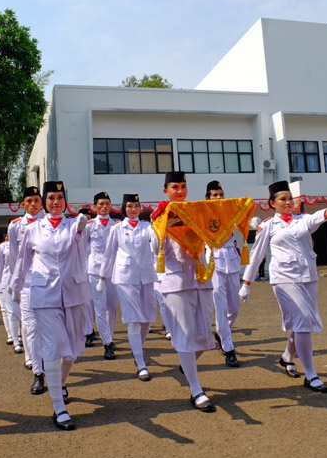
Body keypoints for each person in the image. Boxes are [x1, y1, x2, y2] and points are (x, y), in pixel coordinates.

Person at [239, 180, 327, 394]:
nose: (288, 203)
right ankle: (311, 375)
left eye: (290, 199)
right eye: (283, 199)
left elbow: (315, 218)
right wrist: (246, 283)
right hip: (284, 279)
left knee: (301, 321)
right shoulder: (268, 225)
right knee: (303, 321)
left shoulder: (301, 220)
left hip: (307, 276)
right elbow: (256, 254)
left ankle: (287, 356)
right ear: (272, 203)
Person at [10, 181, 91, 431]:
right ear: (44, 202)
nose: (56, 202)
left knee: (72, 351)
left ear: (65, 201)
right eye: (51, 198)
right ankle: (59, 407)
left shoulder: (73, 225)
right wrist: (15, 286)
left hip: (73, 294)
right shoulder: (33, 229)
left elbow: (83, 248)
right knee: (54, 347)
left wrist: (80, 230)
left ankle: (61, 382)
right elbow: (22, 261)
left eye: (60, 198)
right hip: (44, 295)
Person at [151, 171, 216, 412]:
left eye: (183, 187)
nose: (179, 191)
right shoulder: (160, 216)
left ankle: (185, 364)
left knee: (204, 338)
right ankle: (196, 390)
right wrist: (167, 224)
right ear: (165, 190)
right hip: (176, 282)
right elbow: (154, 248)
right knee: (186, 336)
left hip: (200, 279)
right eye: (174, 187)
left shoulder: (196, 211)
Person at [98, 194, 158, 380]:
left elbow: (156, 245)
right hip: (125, 277)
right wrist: (102, 277)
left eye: (136, 206)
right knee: (133, 320)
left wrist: (158, 228)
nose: (133, 209)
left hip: (146, 276)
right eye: (130, 206)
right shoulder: (117, 228)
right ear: (124, 208)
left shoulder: (147, 227)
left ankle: (136, 348)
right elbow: (109, 254)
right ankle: (140, 363)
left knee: (147, 319)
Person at [7, 186, 47, 395]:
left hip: (48, 283)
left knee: (49, 329)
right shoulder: (15, 226)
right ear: (23, 203)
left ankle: (55, 371)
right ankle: (38, 373)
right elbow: (15, 259)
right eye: (29, 200)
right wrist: (16, 284)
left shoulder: (49, 222)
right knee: (30, 327)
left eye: (36, 200)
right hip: (28, 284)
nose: (33, 204)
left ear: (41, 203)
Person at [204, 180, 241, 368]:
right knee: (220, 306)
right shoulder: (202, 214)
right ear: (208, 198)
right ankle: (228, 348)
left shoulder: (230, 212)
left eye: (221, 194)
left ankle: (221, 332)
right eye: (215, 195)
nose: (219, 197)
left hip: (231, 261)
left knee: (234, 308)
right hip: (214, 261)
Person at [85, 192, 120, 360]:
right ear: (95, 207)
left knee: (111, 308)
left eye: (107, 203)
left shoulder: (117, 225)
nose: (104, 206)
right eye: (101, 204)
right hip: (96, 271)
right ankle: (107, 343)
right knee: (99, 308)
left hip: (113, 271)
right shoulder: (90, 225)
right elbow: (83, 248)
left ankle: (109, 336)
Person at [0, 234, 22, 352]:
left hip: (23, 281)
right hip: (7, 281)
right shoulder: (2, 248)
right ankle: (15, 339)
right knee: (10, 311)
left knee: (24, 312)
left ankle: (21, 335)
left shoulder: (25, 243)